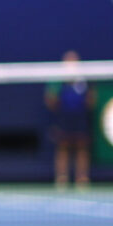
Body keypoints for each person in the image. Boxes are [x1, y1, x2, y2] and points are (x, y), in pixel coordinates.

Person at [45, 50, 93, 190]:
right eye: (68, 61)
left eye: (74, 61)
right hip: (63, 117)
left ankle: (82, 178)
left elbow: (91, 98)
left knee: (82, 147)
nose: (71, 64)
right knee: (62, 147)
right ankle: (61, 178)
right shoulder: (58, 79)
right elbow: (50, 98)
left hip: (80, 117)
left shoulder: (84, 79)